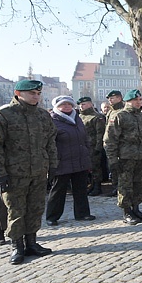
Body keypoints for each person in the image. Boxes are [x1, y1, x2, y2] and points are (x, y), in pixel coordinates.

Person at [0, 79, 58, 265]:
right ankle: (17, 246)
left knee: (35, 208)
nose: (36, 96)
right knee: (16, 211)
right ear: (18, 93)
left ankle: (32, 242)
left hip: (39, 171)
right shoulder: (4, 115)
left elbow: (50, 142)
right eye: (32, 93)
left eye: (38, 93)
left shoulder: (43, 116)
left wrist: (53, 166)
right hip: (14, 173)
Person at [103, 89, 142, 224]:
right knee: (125, 185)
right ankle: (127, 211)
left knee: (139, 183)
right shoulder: (120, 116)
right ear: (128, 101)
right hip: (125, 157)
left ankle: (136, 208)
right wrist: (112, 159)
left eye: (140, 100)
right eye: (136, 100)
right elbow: (110, 140)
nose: (139, 102)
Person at [46, 95, 95, 224]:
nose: (66, 106)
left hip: (80, 160)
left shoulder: (77, 118)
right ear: (56, 107)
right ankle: (52, 217)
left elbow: (85, 138)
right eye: (63, 104)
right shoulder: (52, 121)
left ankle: (82, 213)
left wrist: (87, 154)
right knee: (58, 191)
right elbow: (48, 143)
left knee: (81, 189)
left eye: (69, 104)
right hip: (62, 162)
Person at [78, 97, 106, 196]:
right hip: (82, 147)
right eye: (80, 104)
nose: (82, 106)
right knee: (85, 168)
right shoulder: (79, 117)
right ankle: (91, 185)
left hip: (93, 146)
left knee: (95, 167)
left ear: (90, 104)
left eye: (84, 104)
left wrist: (98, 148)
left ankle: (97, 186)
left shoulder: (97, 117)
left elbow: (100, 133)